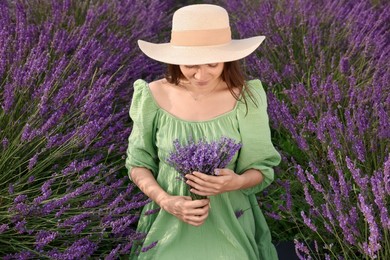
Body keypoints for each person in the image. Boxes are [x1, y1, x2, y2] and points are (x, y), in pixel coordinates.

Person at [125, 4, 281, 260]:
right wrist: (166, 201)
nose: (201, 75)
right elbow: (137, 164)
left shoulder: (247, 97)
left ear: (227, 60)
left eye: (212, 64)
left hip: (230, 220)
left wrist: (237, 181)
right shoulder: (152, 95)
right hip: (168, 221)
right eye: (190, 65)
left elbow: (262, 169)